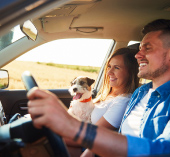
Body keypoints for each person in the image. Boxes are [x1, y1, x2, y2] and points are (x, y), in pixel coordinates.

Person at [27, 18, 170, 156]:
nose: (138, 55)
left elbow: (163, 150)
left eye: (148, 48)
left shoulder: (129, 99)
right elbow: (119, 135)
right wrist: (91, 151)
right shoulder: (140, 93)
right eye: (139, 48)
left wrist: (72, 126)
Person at [81, 47, 139, 157]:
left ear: (130, 73)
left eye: (116, 68)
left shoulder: (123, 101)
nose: (109, 72)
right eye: (109, 66)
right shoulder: (107, 94)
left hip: (93, 145)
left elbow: (93, 133)